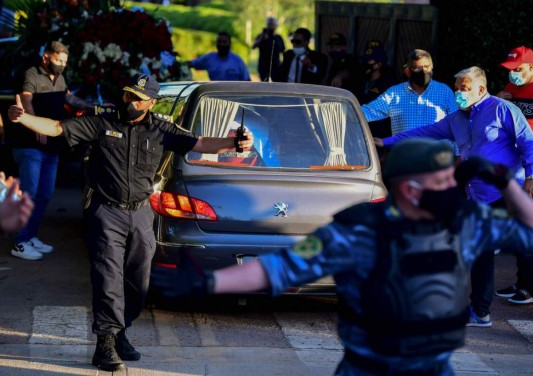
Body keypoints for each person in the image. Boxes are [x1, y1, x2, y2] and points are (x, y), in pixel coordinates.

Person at [152, 138, 533, 376]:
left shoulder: (464, 224)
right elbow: (281, 269)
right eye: (442, 181)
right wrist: (210, 281)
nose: (452, 188)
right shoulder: (358, 231)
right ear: (410, 188)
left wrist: (504, 182)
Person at [8, 73, 254, 372]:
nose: (131, 102)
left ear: (150, 102)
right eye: (128, 95)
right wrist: (23, 119)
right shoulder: (103, 121)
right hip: (105, 211)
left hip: (140, 213)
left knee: (139, 282)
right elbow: (58, 127)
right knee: (108, 277)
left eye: (138, 98)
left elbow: (200, 142)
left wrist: (234, 143)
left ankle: (121, 330)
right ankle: (106, 342)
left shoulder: (162, 129)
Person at [374, 66, 533, 326]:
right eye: (457, 87)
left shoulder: (503, 110)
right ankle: (480, 311)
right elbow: (425, 132)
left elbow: (528, 142)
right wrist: (387, 142)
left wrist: (531, 177)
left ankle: (499, 301)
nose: (458, 92)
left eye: (464, 88)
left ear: (480, 89)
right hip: (480, 195)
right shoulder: (456, 118)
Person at [8, 41, 93, 261]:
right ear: (46, 57)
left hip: (52, 145)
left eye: (65, 62)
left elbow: (69, 98)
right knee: (30, 192)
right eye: (58, 60)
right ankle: (19, 241)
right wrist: (36, 125)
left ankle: (30, 235)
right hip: (30, 145)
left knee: (45, 194)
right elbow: (26, 100)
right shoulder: (31, 75)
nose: (62, 65)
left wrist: (94, 108)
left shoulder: (60, 78)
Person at [495, 45, 533, 305]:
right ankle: (522, 283)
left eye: (518, 70)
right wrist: (501, 102)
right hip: (515, 169)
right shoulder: (511, 91)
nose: (513, 75)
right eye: (510, 70)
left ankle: (528, 288)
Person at [361, 49, 458, 135]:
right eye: (418, 68)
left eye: (426, 67)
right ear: (408, 71)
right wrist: (347, 111)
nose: (423, 71)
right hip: (405, 153)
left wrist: (457, 153)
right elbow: (370, 111)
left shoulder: (444, 92)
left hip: (435, 154)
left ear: (432, 68)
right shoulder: (395, 94)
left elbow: (457, 124)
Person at [356, 39, 398, 143]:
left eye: (369, 61)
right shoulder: (361, 80)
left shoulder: (388, 85)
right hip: (360, 131)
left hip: (379, 136)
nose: (365, 63)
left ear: (378, 65)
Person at [252, 17, 285, 82]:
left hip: (276, 67)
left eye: (272, 24)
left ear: (276, 25)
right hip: (263, 67)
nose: (270, 26)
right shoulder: (262, 36)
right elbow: (253, 46)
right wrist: (262, 38)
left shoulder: (278, 38)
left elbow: (283, 51)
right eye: (269, 24)